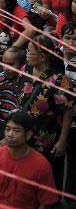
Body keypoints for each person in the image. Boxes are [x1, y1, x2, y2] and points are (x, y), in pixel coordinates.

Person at [17, 35, 73, 184]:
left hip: (46, 139)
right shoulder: (25, 70)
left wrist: (62, 140)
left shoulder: (59, 80)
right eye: (27, 51)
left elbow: (67, 111)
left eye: (30, 52)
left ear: (43, 57)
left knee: (44, 179)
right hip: (23, 135)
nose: (26, 55)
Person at [0, 47, 26, 150]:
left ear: (21, 65)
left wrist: (8, 139)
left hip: (22, 127)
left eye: (11, 64)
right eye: (4, 64)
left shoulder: (27, 82)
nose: (6, 68)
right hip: (3, 124)